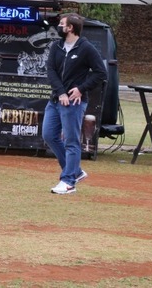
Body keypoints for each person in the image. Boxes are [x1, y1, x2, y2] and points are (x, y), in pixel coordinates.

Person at [44, 13, 106, 195]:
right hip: (56, 100)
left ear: (70, 28)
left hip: (74, 103)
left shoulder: (86, 48)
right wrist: (60, 92)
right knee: (49, 135)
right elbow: (51, 70)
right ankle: (76, 172)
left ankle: (68, 181)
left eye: (62, 24)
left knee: (71, 141)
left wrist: (80, 89)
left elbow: (100, 73)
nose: (59, 27)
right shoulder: (56, 46)